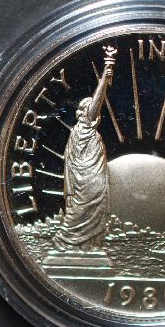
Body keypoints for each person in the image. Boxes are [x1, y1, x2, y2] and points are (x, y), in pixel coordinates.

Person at [53, 47, 115, 252]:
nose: (83, 112)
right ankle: (66, 241)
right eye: (83, 108)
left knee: (94, 207)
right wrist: (106, 70)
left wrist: (107, 72)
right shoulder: (79, 131)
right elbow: (98, 98)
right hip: (84, 179)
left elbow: (97, 100)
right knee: (82, 207)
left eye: (87, 109)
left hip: (90, 177)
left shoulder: (82, 131)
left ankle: (88, 245)